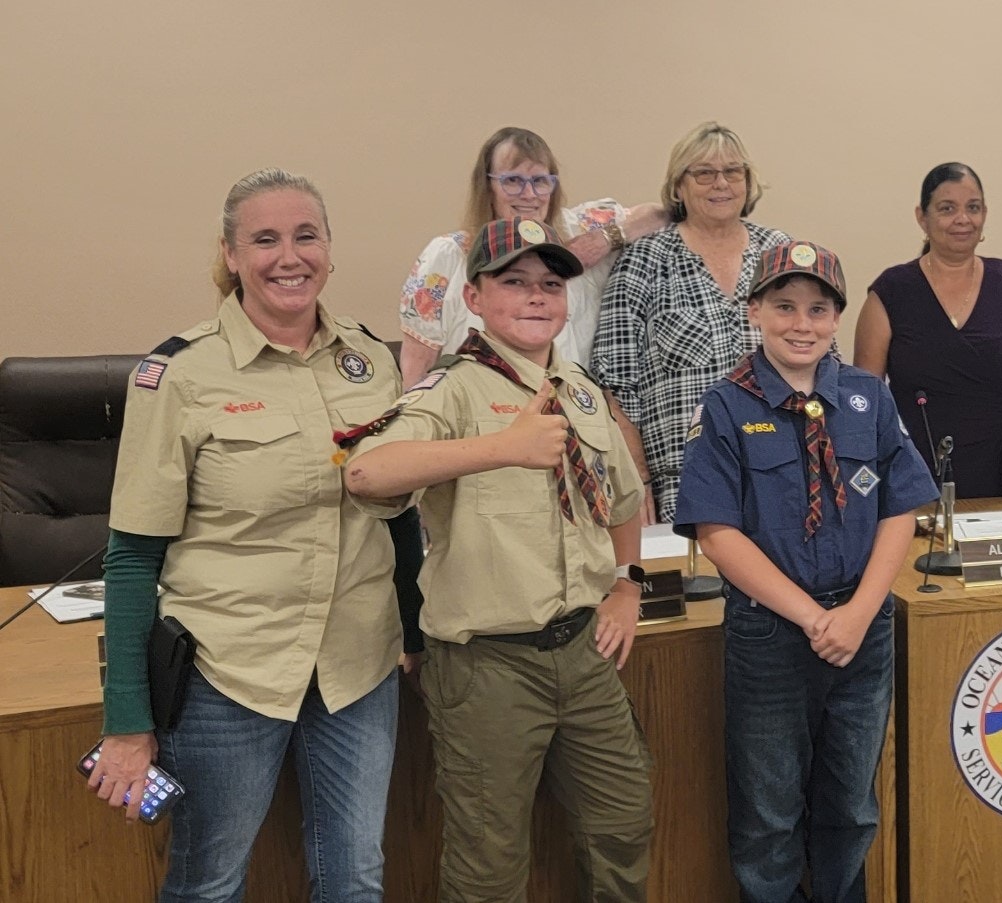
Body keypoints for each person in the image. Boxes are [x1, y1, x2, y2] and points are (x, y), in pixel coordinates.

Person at [87, 168, 424, 901]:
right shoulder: (179, 373)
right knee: (208, 883)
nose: (288, 256)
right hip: (228, 669)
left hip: (356, 666)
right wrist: (127, 721)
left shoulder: (371, 364)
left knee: (356, 876)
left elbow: (399, 520)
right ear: (232, 255)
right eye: (264, 239)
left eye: (306, 235)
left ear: (330, 248)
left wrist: (417, 632)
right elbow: (134, 556)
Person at [345, 217, 652, 903]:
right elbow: (366, 473)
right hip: (489, 665)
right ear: (475, 297)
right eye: (514, 281)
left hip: (583, 650)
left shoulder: (578, 388)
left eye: (550, 283)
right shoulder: (452, 388)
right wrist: (500, 447)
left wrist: (626, 583)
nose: (536, 296)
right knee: (490, 861)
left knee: (623, 824)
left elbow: (624, 498)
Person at [672, 241, 936, 903]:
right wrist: (816, 617)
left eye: (818, 308)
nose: (802, 323)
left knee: (851, 803)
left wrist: (858, 613)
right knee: (768, 811)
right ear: (755, 310)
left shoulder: (868, 398)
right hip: (771, 635)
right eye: (784, 306)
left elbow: (900, 509)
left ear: (837, 317)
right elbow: (717, 532)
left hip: (862, 629)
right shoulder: (727, 406)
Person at [593, 121, 791, 522]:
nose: (721, 183)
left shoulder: (780, 254)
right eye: (704, 173)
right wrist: (638, 479)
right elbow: (611, 384)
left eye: (733, 172)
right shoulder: (644, 260)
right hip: (686, 485)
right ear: (678, 186)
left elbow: (824, 361)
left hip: (785, 476)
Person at [854, 162, 1002, 498]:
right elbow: (865, 394)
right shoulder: (892, 291)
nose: (962, 219)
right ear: (922, 218)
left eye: (973, 208)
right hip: (914, 462)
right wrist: (866, 465)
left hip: (1000, 462)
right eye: (946, 209)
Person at [398, 126, 668, 384]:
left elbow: (662, 214)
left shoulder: (577, 228)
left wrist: (603, 240)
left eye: (540, 181)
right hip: (481, 416)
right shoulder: (448, 255)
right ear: (487, 186)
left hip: (572, 409)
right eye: (512, 181)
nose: (529, 194)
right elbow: (415, 375)